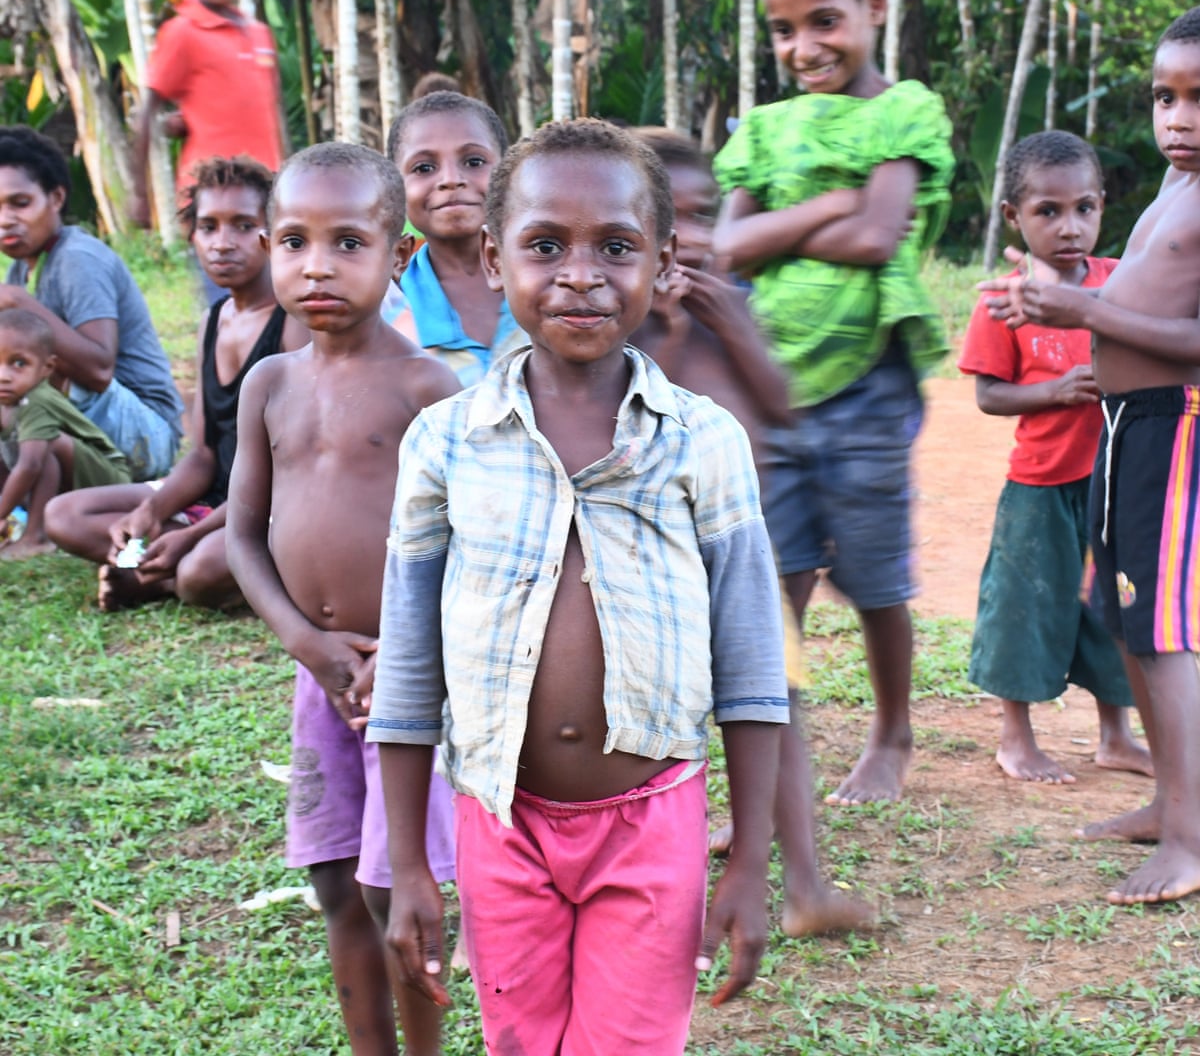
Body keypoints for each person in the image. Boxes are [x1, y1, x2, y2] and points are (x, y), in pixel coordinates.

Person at [367, 119, 789, 1055]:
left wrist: (752, 862)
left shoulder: (701, 441)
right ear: (491, 255)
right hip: (498, 823)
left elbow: (754, 669)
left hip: (651, 821)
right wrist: (408, 865)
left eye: (617, 247)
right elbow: (407, 667)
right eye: (546, 244)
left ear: (664, 259)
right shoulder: (445, 441)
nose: (582, 273)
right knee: (520, 1043)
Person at [711, 0, 955, 808]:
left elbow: (875, 235)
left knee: (876, 573)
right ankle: (771, 744)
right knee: (774, 577)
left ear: (874, 6)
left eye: (824, 21)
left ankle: (891, 731)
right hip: (764, 385)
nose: (804, 47)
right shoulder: (765, 128)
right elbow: (726, 248)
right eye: (783, 31)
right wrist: (838, 197)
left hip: (867, 385)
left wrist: (801, 219)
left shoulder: (906, 110)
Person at [225, 142, 462, 1054]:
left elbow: (463, 555)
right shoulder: (271, 385)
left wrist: (404, 660)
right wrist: (302, 641)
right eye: (292, 240)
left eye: (347, 242)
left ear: (399, 256)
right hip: (318, 676)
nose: (315, 265)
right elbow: (242, 535)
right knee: (332, 880)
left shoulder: (425, 389)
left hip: (409, 686)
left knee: (393, 887)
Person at [978, 8, 1200, 906]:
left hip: (1175, 423)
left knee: (1166, 630)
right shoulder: (1175, 187)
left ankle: (1190, 838)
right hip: (1124, 423)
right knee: (1128, 620)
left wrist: (1088, 316)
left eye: (1198, 98)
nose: (1177, 118)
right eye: (1164, 96)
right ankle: (1170, 800)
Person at [630, 127, 874, 936]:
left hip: (743, 562)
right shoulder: (618, 326)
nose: (693, 237)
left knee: (778, 713)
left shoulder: (730, 308)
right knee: (665, 738)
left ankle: (806, 887)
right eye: (671, 218)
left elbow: (777, 403)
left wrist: (725, 320)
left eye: (705, 216)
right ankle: (676, 900)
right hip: (643, 575)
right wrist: (661, 329)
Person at [961, 131, 1151, 785]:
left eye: (1084, 209)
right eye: (1048, 211)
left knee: (1112, 612)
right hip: (1041, 488)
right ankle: (1016, 738)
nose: (1070, 228)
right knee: (1024, 605)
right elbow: (988, 394)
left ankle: (1115, 738)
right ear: (1014, 216)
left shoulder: (1121, 281)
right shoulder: (1004, 300)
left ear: (1102, 206)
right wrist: (1055, 392)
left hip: (1116, 483)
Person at [45, 157, 304, 612]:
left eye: (243, 226)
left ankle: (157, 580)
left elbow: (287, 475)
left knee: (198, 573)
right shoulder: (213, 320)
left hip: (275, 503)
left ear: (273, 235)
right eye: (208, 227)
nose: (223, 244)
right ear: (193, 237)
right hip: (216, 497)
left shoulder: (293, 324)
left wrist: (190, 534)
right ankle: (173, 563)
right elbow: (204, 453)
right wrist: (156, 511)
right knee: (64, 515)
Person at [0, 126, 183, 479]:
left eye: (20, 203)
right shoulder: (20, 272)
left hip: (146, 434)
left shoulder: (78, 257)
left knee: (29, 386)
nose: (6, 219)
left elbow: (99, 371)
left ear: (56, 198)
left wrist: (18, 301)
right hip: (97, 434)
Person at [132, 0, 285, 302]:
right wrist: (140, 194)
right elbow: (147, 108)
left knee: (276, 301)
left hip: (266, 194)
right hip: (214, 203)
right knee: (225, 303)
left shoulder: (259, 34)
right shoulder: (182, 32)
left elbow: (266, 112)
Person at [385, 91, 526, 386]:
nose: (450, 179)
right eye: (424, 168)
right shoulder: (387, 312)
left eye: (474, 162)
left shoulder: (551, 285)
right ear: (395, 188)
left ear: (508, 171)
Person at [0, 309, 130, 560]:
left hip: (109, 483)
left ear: (46, 368)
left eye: (19, 363)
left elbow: (30, 466)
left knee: (46, 448)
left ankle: (36, 538)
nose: (4, 376)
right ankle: (20, 519)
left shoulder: (36, 399)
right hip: (65, 486)